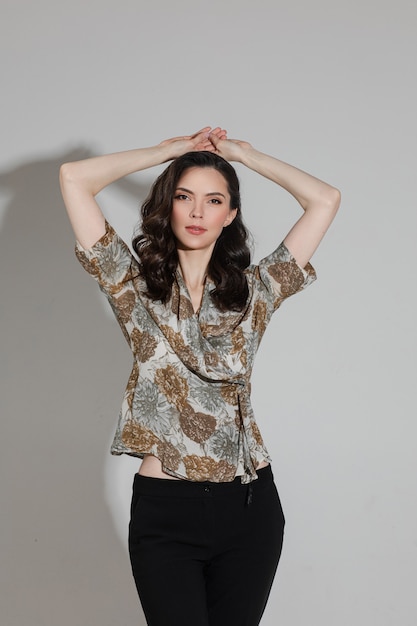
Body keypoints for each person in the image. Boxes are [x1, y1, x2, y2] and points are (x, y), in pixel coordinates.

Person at [59, 126, 340, 626]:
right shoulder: (133, 285)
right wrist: (169, 151)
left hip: (249, 507)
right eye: (185, 197)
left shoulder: (256, 293)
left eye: (214, 201)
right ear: (168, 204)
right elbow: (74, 178)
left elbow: (324, 200)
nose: (196, 212)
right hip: (166, 510)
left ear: (229, 215)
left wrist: (243, 156)